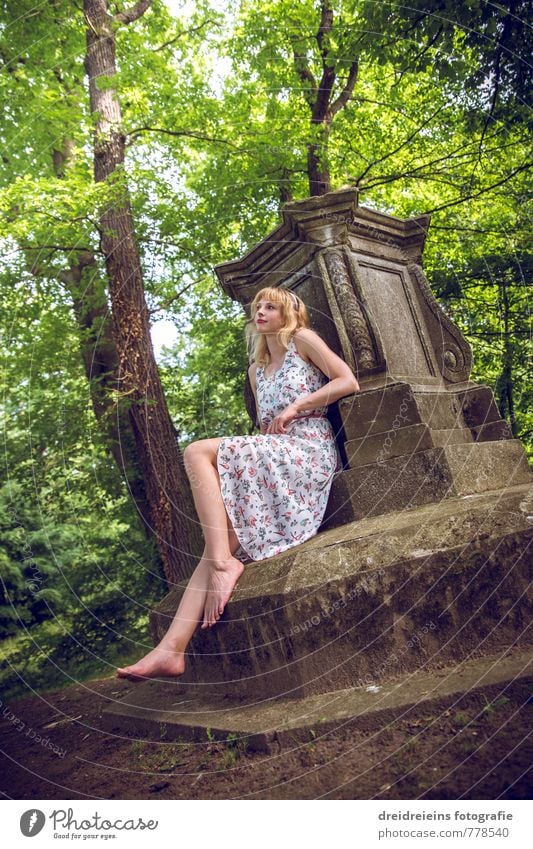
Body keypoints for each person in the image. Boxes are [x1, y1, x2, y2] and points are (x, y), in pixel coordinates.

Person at [117, 287, 360, 681]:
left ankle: (223, 565)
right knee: (222, 537)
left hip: (307, 451)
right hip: (273, 455)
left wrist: (297, 406)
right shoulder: (255, 369)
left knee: (197, 452)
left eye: (270, 307)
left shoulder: (303, 341)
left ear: (287, 313)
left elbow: (347, 381)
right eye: (257, 307)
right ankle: (170, 651)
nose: (260, 312)